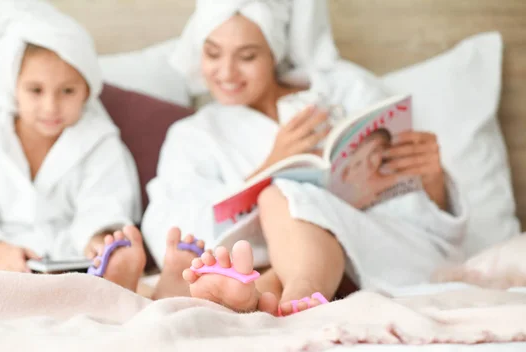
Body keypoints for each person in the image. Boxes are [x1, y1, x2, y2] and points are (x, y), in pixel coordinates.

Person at [141, 0, 468, 316]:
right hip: (267, 259)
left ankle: (291, 293)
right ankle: (277, 296)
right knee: (274, 201)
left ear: (273, 53)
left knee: (281, 195)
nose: (226, 72)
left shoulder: (344, 90)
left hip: (380, 249)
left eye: (248, 56)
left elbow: (419, 217)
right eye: (212, 53)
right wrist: (269, 167)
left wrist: (433, 179)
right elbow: (172, 229)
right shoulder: (193, 134)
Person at [0, 0, 149, 291]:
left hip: (76, 272)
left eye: (68, 91)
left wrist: (98, 245)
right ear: (13, 87)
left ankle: (112, 280)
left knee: (104, 270)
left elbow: (104, 208)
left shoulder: (100, 142)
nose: (51, 106)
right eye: (35, 90)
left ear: (87, 90)